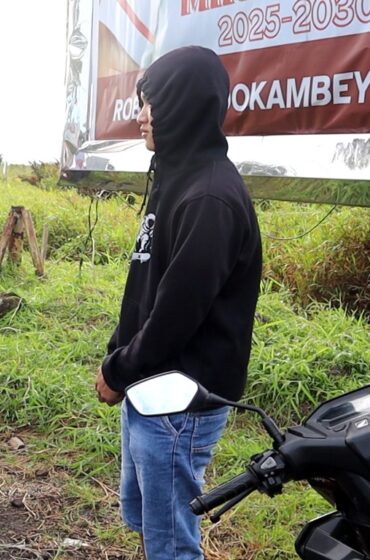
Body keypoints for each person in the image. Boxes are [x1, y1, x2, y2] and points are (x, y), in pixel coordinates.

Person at [94, 47, 262, 559]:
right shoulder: (175, 178)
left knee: (171, 541)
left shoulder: (209, 197)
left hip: (180, 400)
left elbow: (177, 313)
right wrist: (118, 352)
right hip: (152, 387)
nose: (141, 116)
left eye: (153, 103)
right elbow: (147, 283)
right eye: (142, 103)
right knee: (147, 519)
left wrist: (119, 369)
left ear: (185, 107)